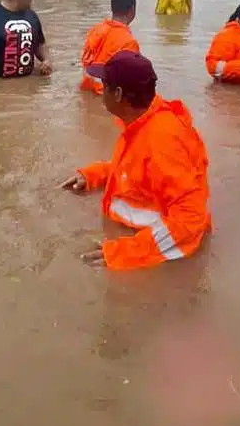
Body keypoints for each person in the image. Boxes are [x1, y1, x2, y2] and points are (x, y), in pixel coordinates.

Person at [60, 51, 211, 270]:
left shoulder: (162, 140)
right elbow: (138, 171)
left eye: (105, 85)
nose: (100, 91)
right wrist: (94, 175)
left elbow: (190, 219)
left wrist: (126, 253)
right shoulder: (143, 123)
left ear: (118, 94)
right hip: (139, 240)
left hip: (159, 264)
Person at [81, 0, 140, 94]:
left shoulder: (95, 30)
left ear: (112, 8)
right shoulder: (129, 42)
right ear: (132, 9)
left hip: (86, 91)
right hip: (108, 99)